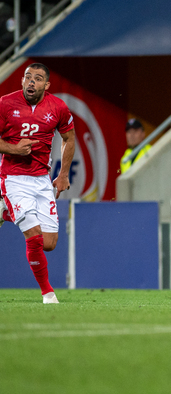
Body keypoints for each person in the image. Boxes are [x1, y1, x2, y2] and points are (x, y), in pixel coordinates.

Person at [0, 63, 75, 304]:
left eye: (38, 78)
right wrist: (14, 149)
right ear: (22, 80)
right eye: (28, 77)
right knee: (33, 236)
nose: (32, 82)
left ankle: (4, 211)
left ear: (47, 85)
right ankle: (48, 293)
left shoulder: (58, 107)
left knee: (49, 244)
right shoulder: (5, 104)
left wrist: (63, 175)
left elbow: (68, 138)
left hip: (42, 180)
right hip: (13, 178)